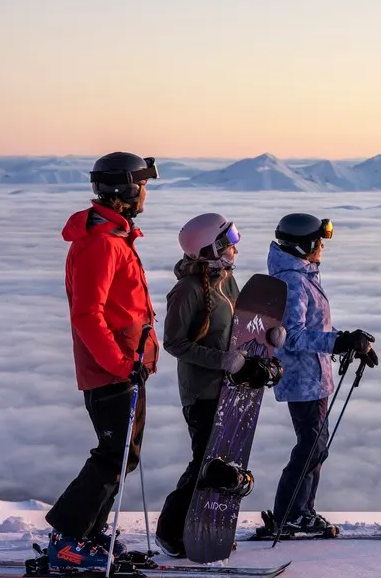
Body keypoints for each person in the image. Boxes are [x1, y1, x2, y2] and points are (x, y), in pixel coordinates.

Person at [46, 152, 160, 570]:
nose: (146, 192)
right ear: (126, 190)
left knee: (123, 456)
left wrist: (135, 359)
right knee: (113, 455)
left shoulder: (115, 239)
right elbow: (87, 314)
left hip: (126, 366)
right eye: (143, 184)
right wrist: (118, 362)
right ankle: (68, 539)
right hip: (111, 369)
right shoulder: (100, 245)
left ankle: (89, 534)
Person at [154, 213, 284, 558]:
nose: (235, 249)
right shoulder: (187, 290)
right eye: (229, 243)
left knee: (223, 461)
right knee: (204, 462)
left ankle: (202, 526)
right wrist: (221, 361)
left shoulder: (226, 281)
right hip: (202, 391)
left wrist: (267, 340)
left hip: (230, 388)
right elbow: (175, 343)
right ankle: (170, 531)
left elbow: (241, 328)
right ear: (209, 248)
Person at [266, 213, 379, 535]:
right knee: (310, 445)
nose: (322, 248)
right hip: (302, 377)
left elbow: (310, 329)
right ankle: (290, 513)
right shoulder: (293, 281)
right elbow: (293, 335)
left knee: (316, 445)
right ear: (306, 245)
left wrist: (345, 340)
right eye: (319, 241)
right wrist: (340, 341)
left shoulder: (301, 275)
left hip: (313, 374)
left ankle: (301, 511)